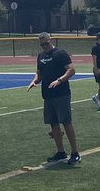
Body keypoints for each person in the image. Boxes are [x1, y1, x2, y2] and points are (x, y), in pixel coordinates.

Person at [27, 32, 79, 165]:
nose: (44, 46)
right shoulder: (41, 56)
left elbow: (71, 70)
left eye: (46, 43)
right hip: (48, 95)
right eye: (42, 44)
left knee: (66, 122)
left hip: (61, 94)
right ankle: (60, 152)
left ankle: (75, 152)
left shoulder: (60, 53)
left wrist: (59, 80)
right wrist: (35, 81)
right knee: (53, 123)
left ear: (50, 40)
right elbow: (39, 73)